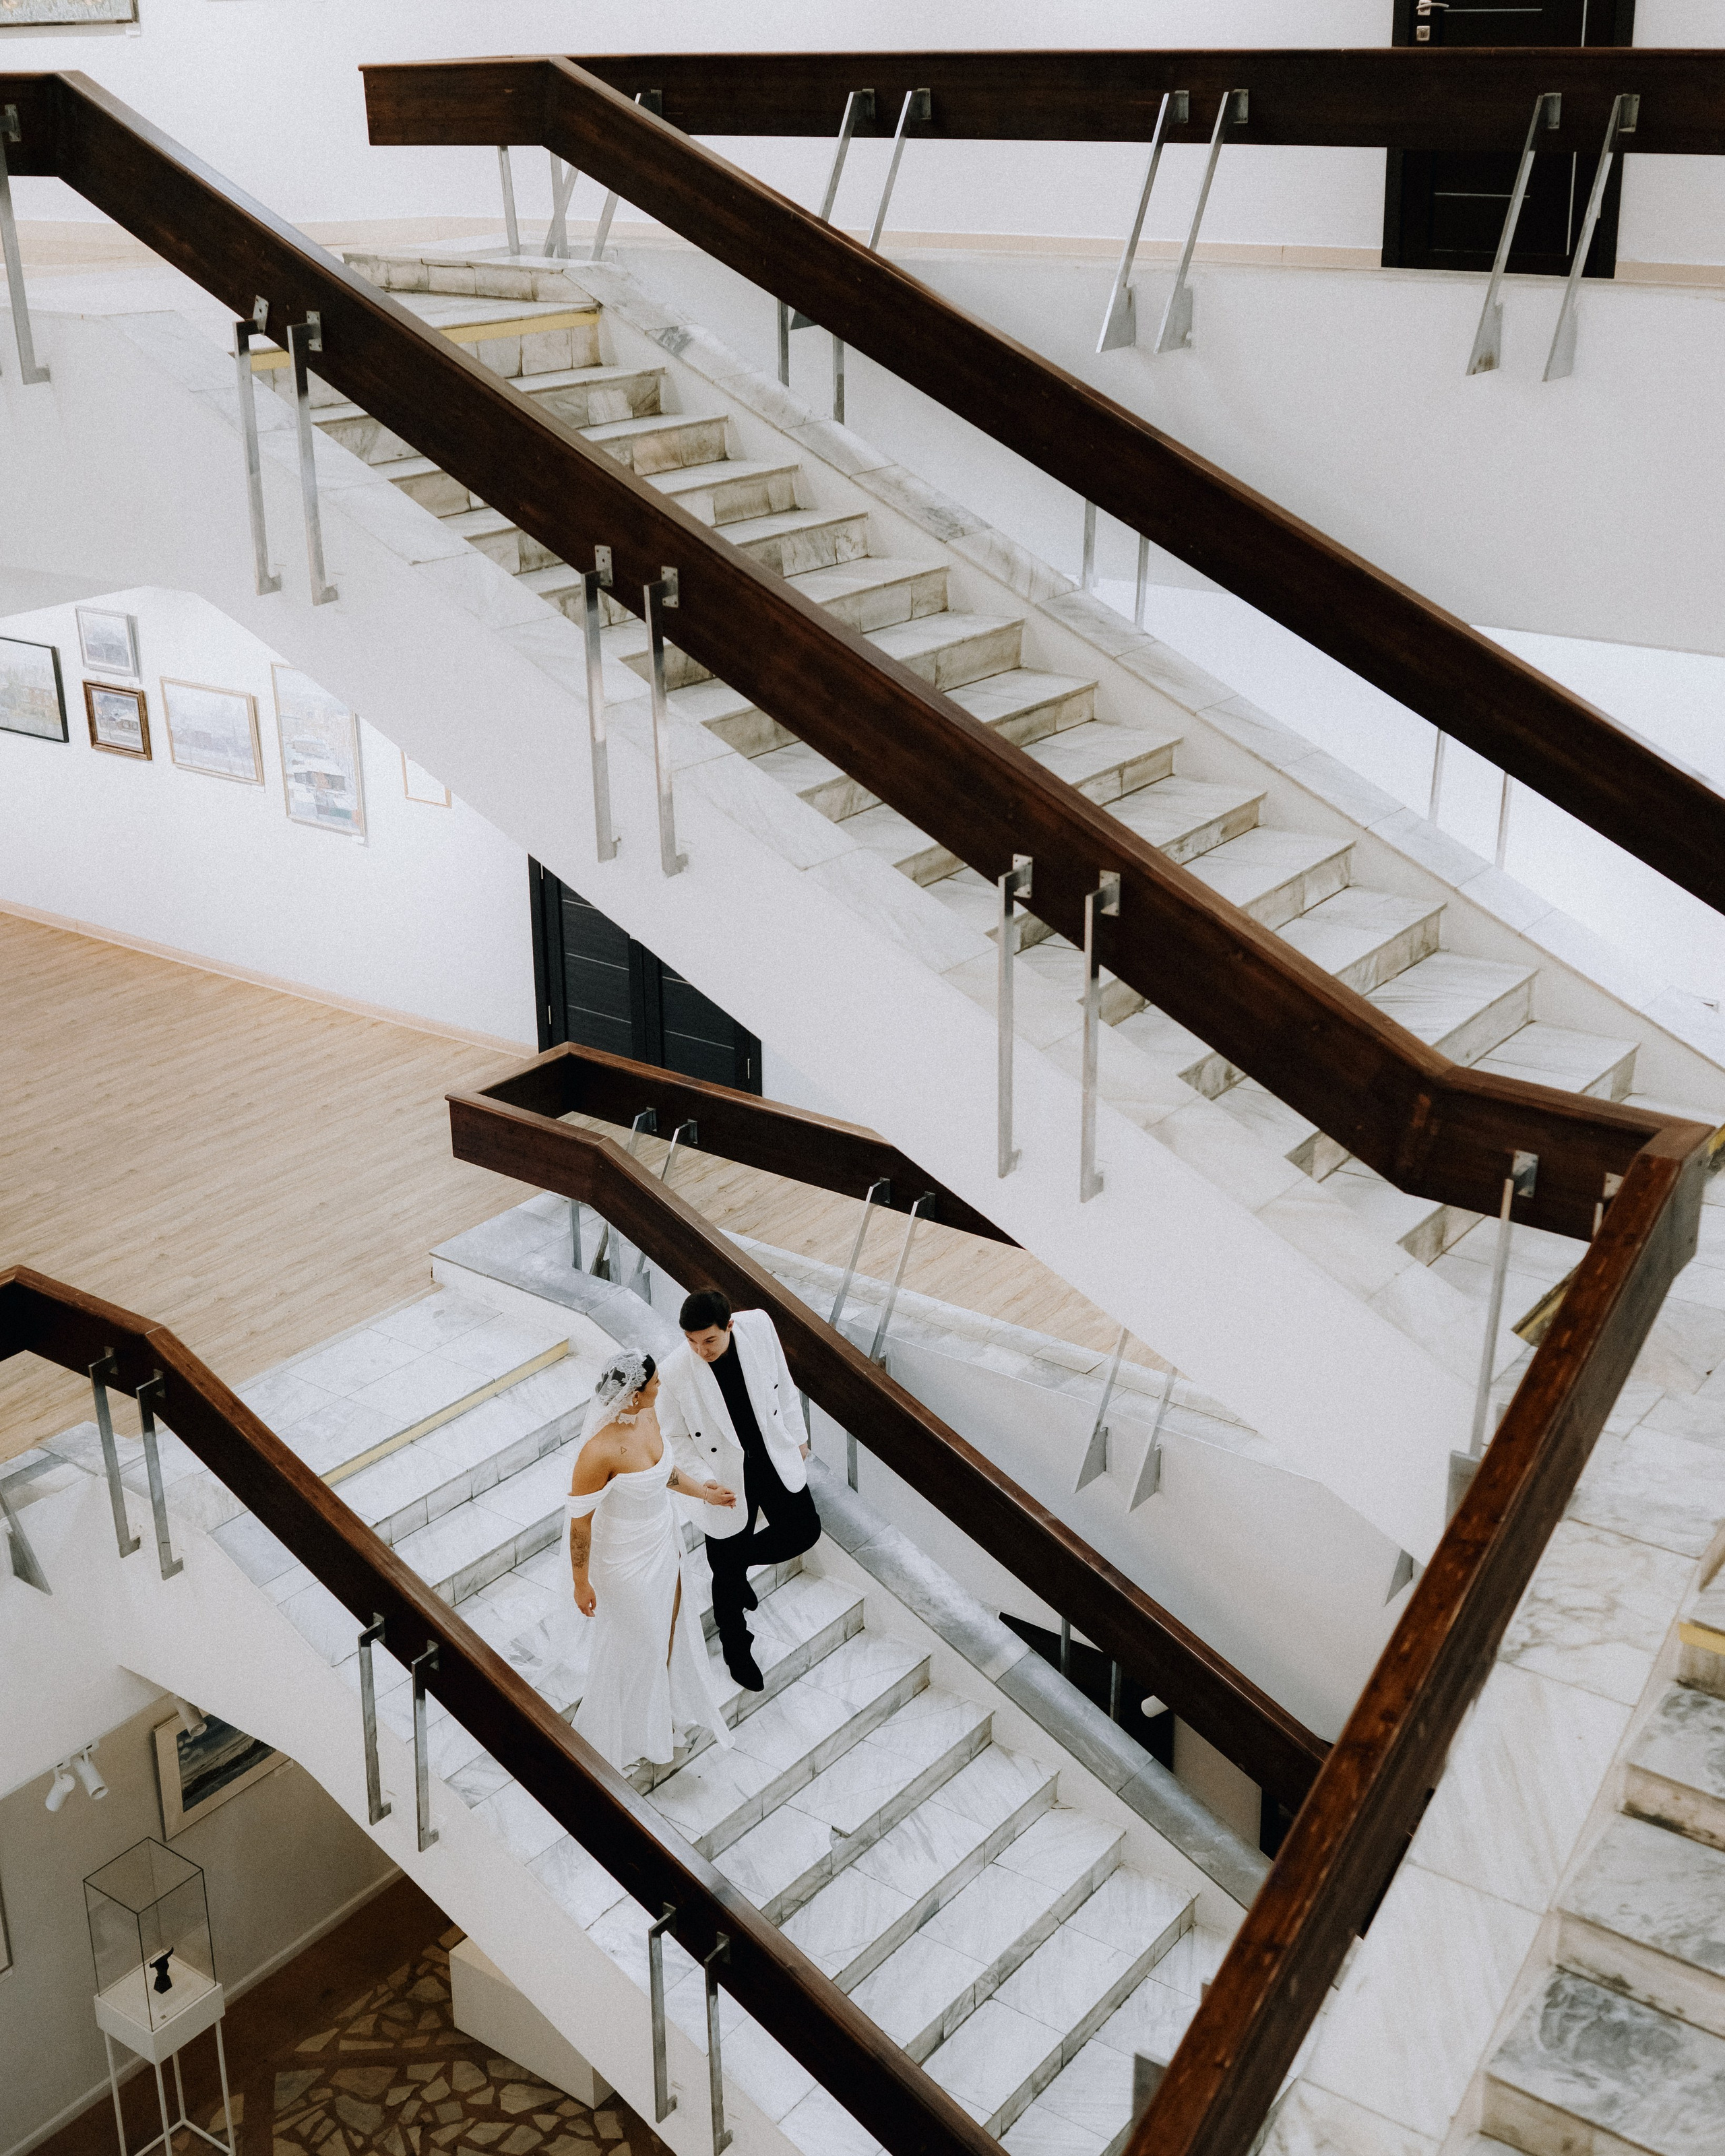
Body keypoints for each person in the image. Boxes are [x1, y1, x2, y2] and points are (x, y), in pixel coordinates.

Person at [564, 1349, 738, 1773]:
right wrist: (581, 1583)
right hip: (622, 1560)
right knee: (637, 1640)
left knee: (666, 1632)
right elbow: (581, 1525)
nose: (661, 1386)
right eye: (655, 1383)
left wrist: (706, 1493)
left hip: (663, 1540)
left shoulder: (649, 1416)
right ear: (634, 1394)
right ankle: (620, 1731)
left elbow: (665, 1473)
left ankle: (654, 1721)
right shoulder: (597, 1453)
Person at [656, 1288, 820, 1691]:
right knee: (725, 1579)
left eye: (709, 1340)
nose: (701, 1350)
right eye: (692, 1341)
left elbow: (784, 1383)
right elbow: (674, 1439)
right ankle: (735, 1646)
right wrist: (702, 1485)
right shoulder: (674, 1371)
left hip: (771, 1454)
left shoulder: (759, 1326)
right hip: (722, 1477)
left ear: (730, 1324)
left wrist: (798, 1437)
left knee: (804, 1531)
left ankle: (735, 1567)